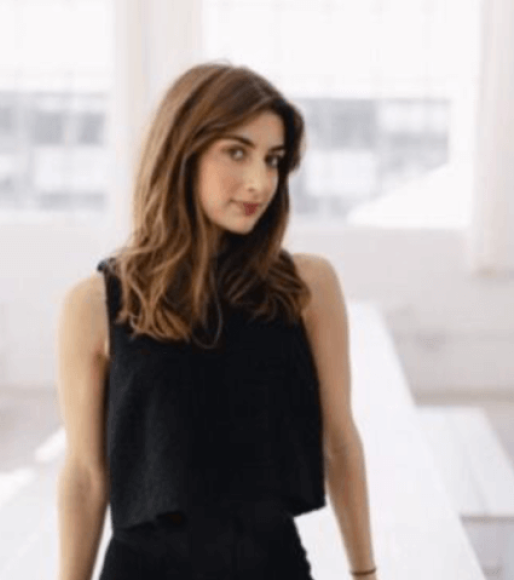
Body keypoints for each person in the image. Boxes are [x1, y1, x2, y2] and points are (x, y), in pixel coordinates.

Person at [55, 60, 378, 580]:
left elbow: (339, 441)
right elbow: (87, 476)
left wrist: (366, 573)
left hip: (271, 564)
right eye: (236, 152)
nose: (259, 182)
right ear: (182, 153)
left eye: (273, 160)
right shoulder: (94, 305)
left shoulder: (307, 289)